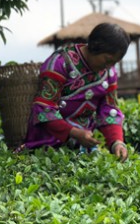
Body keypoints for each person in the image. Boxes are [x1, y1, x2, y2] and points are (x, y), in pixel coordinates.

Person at [19, 23, 130, 161]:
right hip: (48, 143)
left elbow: (109, 109)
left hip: (83, 146)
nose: (109, 66)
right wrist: (74, 133)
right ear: (94, 46)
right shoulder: (60, 63)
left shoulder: (108, 73)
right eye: (107, 60)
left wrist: (117, 142)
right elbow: (44, 109)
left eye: (114, 63)